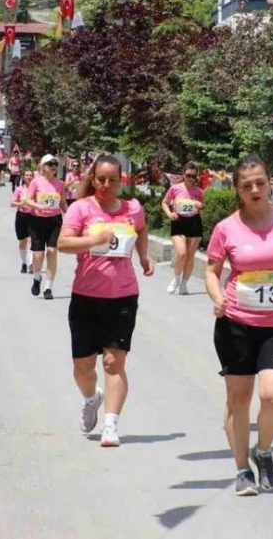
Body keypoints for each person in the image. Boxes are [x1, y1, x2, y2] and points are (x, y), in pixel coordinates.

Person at [204, 155, 273, 496]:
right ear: (237, 189)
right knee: (239, 398)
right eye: (246, 185)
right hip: (236, 322)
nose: (254, 189)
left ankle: (262, 451)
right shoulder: (227, 228)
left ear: (271, 184)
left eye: (260, 183)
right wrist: (217, 296)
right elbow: (211, 270)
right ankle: (241, 471)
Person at [58, 155, 155, 447]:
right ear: (93, 178)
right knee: (83, 366)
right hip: (86, 296)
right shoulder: (81, 208)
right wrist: (93, 239)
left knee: (114, 362)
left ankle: (111, 425)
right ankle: (91, 397)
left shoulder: (132, 208)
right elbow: (63, 243)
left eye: (112, 179)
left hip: (123, 296)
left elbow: (141, 230)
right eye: (101, 179)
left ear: (121, 180)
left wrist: (144, 256)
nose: (106, 185)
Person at [24, 154, 68, 300]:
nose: (53, 167)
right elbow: (27, 200)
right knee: (38, 255)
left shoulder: (60, 184)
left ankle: (48, 288)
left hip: (54, 221)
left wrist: (70, 216)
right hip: (37, 220)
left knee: (52, 252)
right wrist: (38, 206)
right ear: (43, 167)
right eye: (50, 164)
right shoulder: (36, 182)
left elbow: (62, 203)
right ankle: (37, 278)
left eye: (55, 164)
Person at [162, 162, 205, 295]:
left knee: (190, 256)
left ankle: (184, 284)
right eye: (188, 175)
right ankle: (175, 279)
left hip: (194, 222)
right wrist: (170, 214)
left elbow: (203, 212)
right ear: (183, 174)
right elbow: (164, 202)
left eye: (193, 176)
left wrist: (200, 206)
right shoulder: (175, 189)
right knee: (181, 253)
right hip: (179, 221)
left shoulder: (199, 192)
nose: (190, 178)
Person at [10, 170, 35, 273]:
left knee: (31, 240)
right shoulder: (19, 189)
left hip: (33, 216)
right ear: (23, 177)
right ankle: (24, 263)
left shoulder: (36, 190)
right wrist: (22, 204)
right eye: (27, 175)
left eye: (30, 175)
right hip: (21, 216)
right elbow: (12, 203)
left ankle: (30, 264)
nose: (29, 177)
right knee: (22, 241)